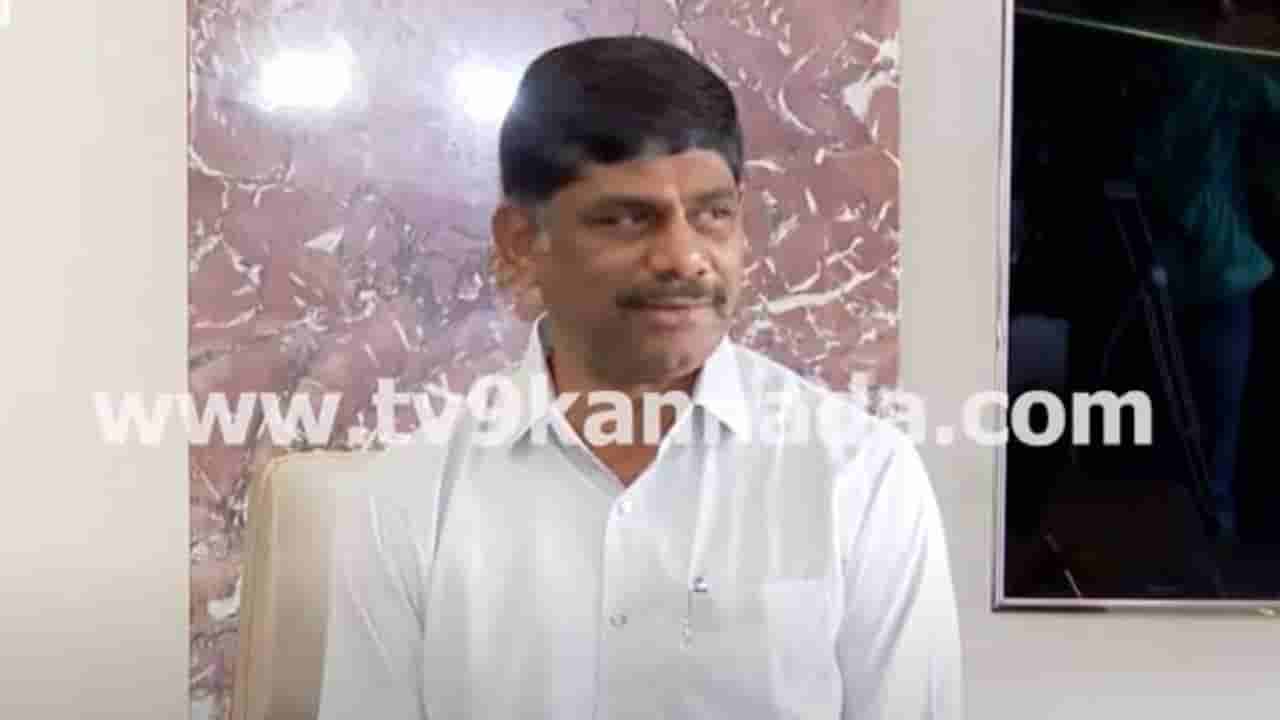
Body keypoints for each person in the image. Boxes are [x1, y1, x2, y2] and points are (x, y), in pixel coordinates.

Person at [317, 35, 962, 719]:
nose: (684, 257)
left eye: (713, 214)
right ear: (521, 242)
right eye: (628, 219)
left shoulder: (859, 474)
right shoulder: (415, 496)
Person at [1132, 4, 1280, 543]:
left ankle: (1202, 520)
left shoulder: (1185, 65)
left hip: (1195, 271)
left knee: (1198, 412)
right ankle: (1208, 521)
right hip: (1207, 272)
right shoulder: (1210, 66)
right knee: (1211, 412)